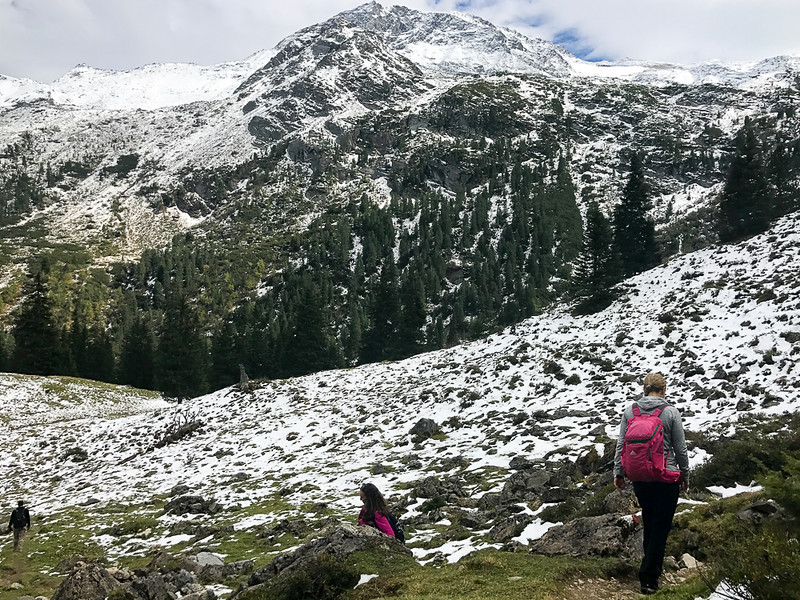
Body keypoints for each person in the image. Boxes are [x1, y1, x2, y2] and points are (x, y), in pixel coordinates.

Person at [613, 372, 689, 595]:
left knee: (649, 519)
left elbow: (621, 445)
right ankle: (649, 577)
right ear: (663, 390)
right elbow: (680, 449)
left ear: (644, 389)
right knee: (661, 526)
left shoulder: (630, 411)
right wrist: (685, 475)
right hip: (666, 477)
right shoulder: (670, 412)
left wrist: (618, 472)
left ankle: (649, 569)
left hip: (641, 477)